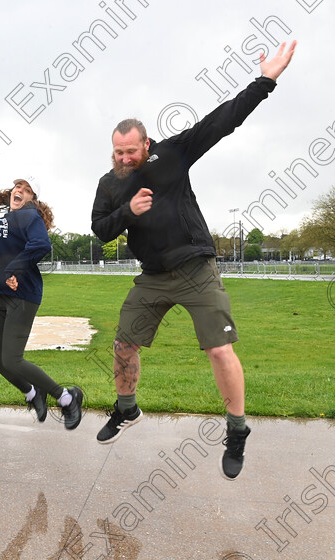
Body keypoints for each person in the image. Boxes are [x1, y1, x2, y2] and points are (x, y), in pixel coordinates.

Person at [90, 41, 296, 480]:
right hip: (151, 277)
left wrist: (266, 80)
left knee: (220, 349)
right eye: (118, 152)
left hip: (195, 268)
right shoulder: (110, 183)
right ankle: (127, 410)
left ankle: (237, 431)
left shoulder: (172, 154)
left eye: (131, 151)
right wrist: (129, 212)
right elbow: (100, 228)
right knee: (124, 344)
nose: (125, 159)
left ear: (147, 143)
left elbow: (221, 122)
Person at [0, 180, 83, 429]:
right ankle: (33, 394)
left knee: (13, 360)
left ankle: (67, 398)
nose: (18, 191)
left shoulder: (29, 215)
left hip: (23, 295)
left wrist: (14, 268)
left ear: (32, 198)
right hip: (3, 295)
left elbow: (41, 244)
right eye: (16, 187)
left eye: (25, 190)